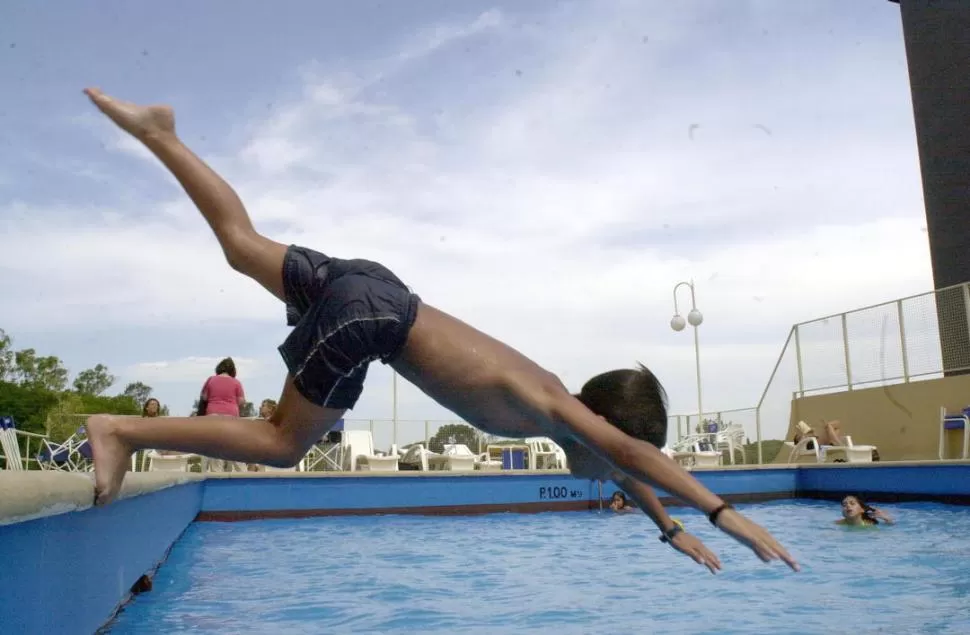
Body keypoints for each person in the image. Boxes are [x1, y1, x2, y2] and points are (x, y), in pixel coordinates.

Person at [81, 88, 799, 573]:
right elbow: (627, 456)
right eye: (624, 455)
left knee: (241, 244)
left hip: (375, 285)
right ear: (608, 424)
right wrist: (720, 512)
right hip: (374, 321)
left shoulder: (557, 399)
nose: (617, 474)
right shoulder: (564, 413)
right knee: (281, 445)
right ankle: (122, 430)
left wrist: (667, 527)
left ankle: (159, 134)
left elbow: (625, 463)